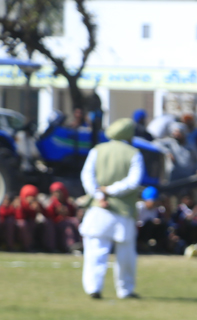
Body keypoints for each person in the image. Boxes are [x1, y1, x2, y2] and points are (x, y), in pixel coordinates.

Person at [79, 118, 145, 299]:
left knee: (95, 251)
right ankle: (125, 290)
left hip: (98, 209)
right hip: (123, 211)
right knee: (126, 255)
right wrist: (110, 191)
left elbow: (87, 176)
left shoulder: (97, 150)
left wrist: (99, 195)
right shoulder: (134, 153)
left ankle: (94, 288)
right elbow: (133, 182)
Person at [44, 181, 82, 253]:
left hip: (67, 223)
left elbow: (72, 213)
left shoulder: (68, 203)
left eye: (59, 192)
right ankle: (70, 246)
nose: (57, 194)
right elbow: (48, 215)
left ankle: (80, 244)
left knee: (75, 222)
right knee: (67, 227)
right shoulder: (51, 203)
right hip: (55, 224)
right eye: (55, 192)